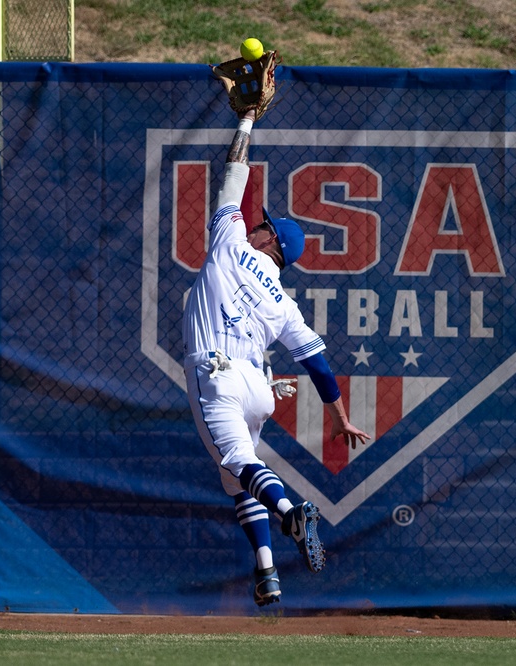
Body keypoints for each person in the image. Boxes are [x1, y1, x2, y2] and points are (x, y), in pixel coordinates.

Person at [182, 106, 370, 607]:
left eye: (263, 227)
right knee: (237, 479)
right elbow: (318, 366)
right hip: (258, 387)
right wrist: (340, 418)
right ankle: (268, 574)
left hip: (216, 374)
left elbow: (232, 174)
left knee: (239, 463)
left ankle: (290, 511)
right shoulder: (286, 304)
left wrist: (245, 119)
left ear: (270, 240)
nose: (256, 226)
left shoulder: (228, 241)